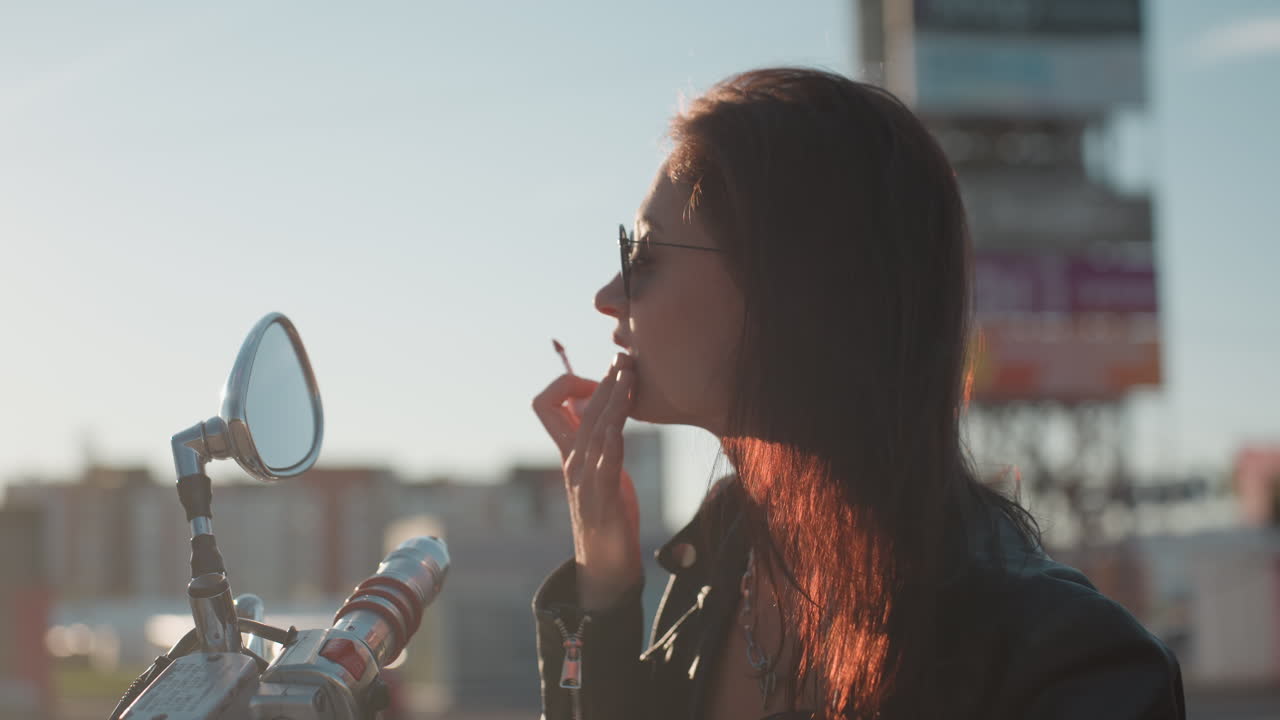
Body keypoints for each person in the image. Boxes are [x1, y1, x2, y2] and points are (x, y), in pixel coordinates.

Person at [530, 67, 1185, 720]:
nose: (606, 298)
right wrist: (603, 587)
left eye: (640, 256)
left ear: (788, 290)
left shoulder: (1071, 666)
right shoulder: (715, 575)